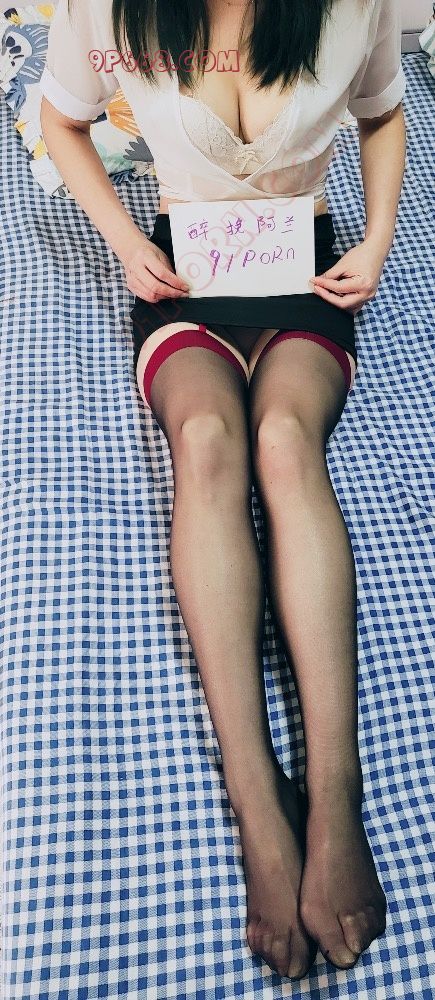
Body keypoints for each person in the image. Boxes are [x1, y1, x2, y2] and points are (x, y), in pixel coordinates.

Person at [40, 0, 407, 980]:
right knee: (206, 440)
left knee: (286, 440)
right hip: (184, 275)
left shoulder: (353, 5)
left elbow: (383, 112)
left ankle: (335, 793)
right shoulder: (104, 7)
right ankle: (255, 799)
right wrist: (126, 241)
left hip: (303, 271)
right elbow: (60, 122)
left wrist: (376, 240)